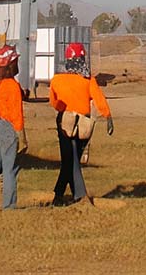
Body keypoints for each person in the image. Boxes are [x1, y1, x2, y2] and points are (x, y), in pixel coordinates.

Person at [48, 42, 114, 205]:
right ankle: (78, 195)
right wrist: (108, 116)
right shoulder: (88, 80)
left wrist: (64, 108)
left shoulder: (57, 79)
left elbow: (54, 102)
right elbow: (99, 99)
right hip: (83, 123)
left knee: (69, 159)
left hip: (65, 121)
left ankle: (60, 195)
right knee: (73, 159)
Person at [0, 45, 28, 210]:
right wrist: (22, 137)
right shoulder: (12, 85)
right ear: (11, 63)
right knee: (10, 169)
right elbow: (16, 114)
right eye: (16, 60)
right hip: (8, 127)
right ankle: (9, 206)